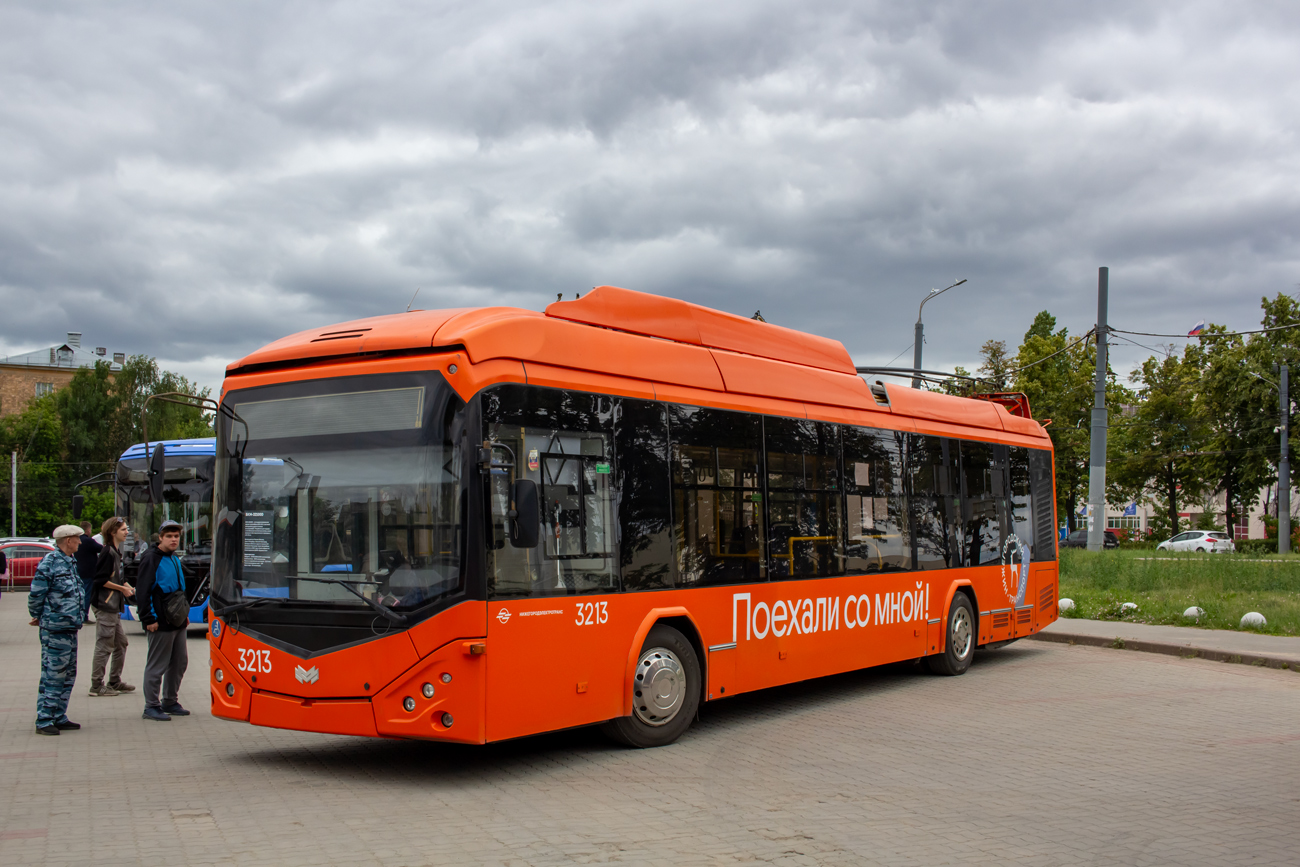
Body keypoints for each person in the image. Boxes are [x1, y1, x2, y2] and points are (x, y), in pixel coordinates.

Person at [28, 525, 87, 735]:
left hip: (69, 627)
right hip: (54, 629)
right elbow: (36, 594)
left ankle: (59, 715)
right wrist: (37, 615)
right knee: (53, 674)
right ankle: (44, 719)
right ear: (68, 540)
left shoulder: (70, 562)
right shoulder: (50, 563)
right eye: (77, 539)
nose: (80, 542)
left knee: (68, 674)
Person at [135, 520, 190, 721]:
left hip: (178, 620)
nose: (174, 539)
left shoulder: (174, 558)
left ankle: (170, 700)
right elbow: (143, 591)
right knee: (157, 664)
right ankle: (151, 706)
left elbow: (180, 590)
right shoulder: (151, 558)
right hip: (160, 621)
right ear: (160, 538)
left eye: (176, 536)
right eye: (169, 536)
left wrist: (185, 616)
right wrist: (148, 618)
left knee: (179, 662)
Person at [88, 516, 136, 697]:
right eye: (123, 529)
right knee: (105, 644)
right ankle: (96, 685)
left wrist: (126, 585)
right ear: (112, 532)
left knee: (121, 643)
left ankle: (114, 681)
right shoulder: (108, 552)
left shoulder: (115, 552)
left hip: (112, 606)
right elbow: (100, 580)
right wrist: (121, 588)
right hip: (106, 605)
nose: (127, 532)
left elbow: (115, 575)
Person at [75, 520, 103, 624]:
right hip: (88, 572)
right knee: (87, 594)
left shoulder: (78, 540)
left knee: (80, 593)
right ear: (88, 530)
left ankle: (79, 615)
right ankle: (84, 616)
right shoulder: (88, 541)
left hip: (79, 570)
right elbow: (101, 549)